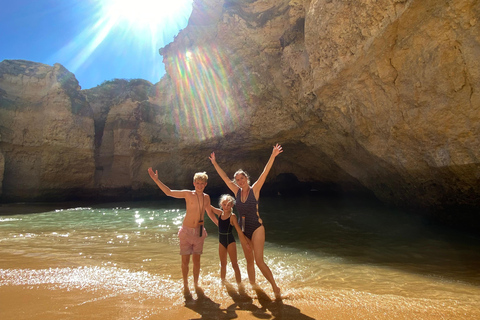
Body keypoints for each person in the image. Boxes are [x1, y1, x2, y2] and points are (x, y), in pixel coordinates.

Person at [209, 144, 283, 299]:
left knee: (258, 261)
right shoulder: (236, 191)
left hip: (256, 228)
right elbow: (223, 177)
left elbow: (264, 173)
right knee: (249, 262)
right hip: (244, 230)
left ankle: (275, 288)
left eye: (242, 178)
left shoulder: (254, 189)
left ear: (246, 179)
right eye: (237, 180)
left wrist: (273, 155)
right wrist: (215, 163)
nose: (239, 181)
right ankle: (254, 287)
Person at [148, 167, 216, 297]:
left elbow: (210, 213)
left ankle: (196, 284)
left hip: (199, 232)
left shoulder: (207, 198)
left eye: (202, 183)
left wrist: (219, 224)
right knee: (185, 261)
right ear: (194, 183)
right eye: (198, 183)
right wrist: (156, 180)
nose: (200, 186)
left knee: (197, 261)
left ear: (205, 184)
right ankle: (185, 285)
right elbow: (169, 192)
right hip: (186, 232)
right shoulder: (187, 194)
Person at [210, 194, 249, 290]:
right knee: (223, 264)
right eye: (224, 204)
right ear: (221, 204)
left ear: (232, 205)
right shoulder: (219, 213)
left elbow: (239, 231)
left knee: (234, 264)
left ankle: (240, 286)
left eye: (228, 205)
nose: (226, 206)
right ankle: (223, 284)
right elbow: (208, 207)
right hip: (221, 241)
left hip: (230, 241)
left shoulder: (232, 216)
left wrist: (246, 243)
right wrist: (201, 197)